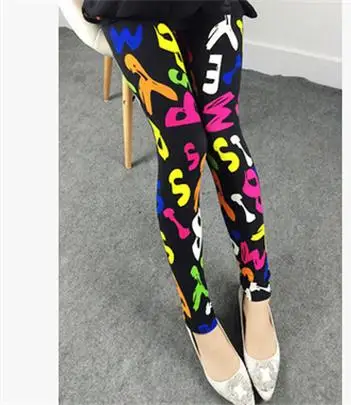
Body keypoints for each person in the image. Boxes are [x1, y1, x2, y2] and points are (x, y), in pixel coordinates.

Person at [83, 0, 280, 403]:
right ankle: (198, 315)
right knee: (183, 144)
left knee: (225, 135)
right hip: (131, 8)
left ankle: (257, 288)